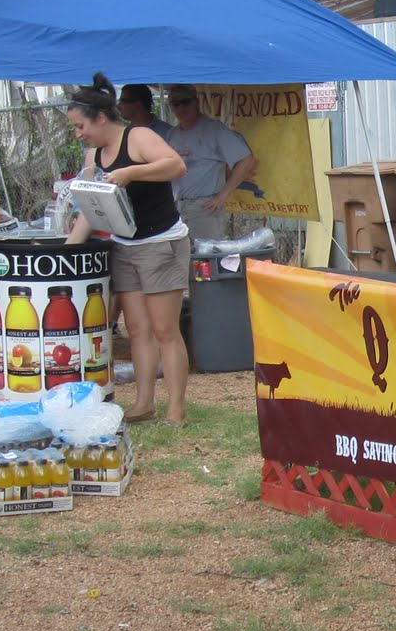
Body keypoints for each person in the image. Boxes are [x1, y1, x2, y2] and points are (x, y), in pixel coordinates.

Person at [64, 73, 190, 427]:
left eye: (80, 126)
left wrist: (131, 173)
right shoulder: (94, 155)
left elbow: (176, 166)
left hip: (160, 242)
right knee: (136, 328)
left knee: (165, 328)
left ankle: (176, 409)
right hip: (124, 244)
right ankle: (143, 403)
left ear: (101, 117)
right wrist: (67, 251)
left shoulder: (138, 136)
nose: (78, 134)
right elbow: (91, 208)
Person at [162, 84, 256, 242]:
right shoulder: (172, 134)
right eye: (176, 104)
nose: (181, 108)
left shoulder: (214, 130)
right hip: (177, 207)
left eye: (185, 102)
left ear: (196, 102)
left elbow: (246, 160)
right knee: (182, 260)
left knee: (206, 258)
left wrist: (222, 196)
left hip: (205, 207)